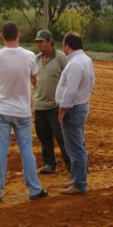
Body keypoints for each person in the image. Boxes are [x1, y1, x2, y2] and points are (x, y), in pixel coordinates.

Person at [0, 21, 48, 202]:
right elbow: (33, 78)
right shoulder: (29, 56)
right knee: (26, 150)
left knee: (1, 151)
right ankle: (34, 189)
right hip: (22, 111)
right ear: (18, 34)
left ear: (2, 36)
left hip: (2, 109)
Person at [55, 32, 95, 195]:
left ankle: (79, 183)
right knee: (80, 145)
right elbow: (93, 81)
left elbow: (70, 91)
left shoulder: (74, 64)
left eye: (63, 45)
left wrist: (62, 110)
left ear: (67, 46)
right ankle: (79, 178)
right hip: (81, 105)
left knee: (75, 147)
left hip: (73, 108)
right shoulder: (86, 60)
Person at [33, 29, 71, 175]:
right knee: (44, 136)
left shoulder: (61, 58)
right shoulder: (36, 59)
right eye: (37, 42)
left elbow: (69, 77)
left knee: (62, 137)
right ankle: (49, 163)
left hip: (56, 106)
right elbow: (33, 78)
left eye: (41, 41)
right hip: (40, 105)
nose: (39, 44)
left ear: (50, 41)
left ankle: (71, 165)